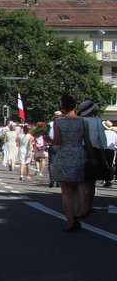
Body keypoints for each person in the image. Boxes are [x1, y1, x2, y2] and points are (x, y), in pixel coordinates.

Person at [51, 94, 90, 232]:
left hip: (64, 155)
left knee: (66, 191)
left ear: (63, 106)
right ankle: (77, 214)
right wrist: (92, 157)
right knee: (77, 188)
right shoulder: (83, 122)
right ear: (75, 106)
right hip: (79, 154)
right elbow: (87, 141)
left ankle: (70, 220)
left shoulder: (59, 122)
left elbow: (56, 140)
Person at [77, 100, 106, 218]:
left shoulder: (79, 121)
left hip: (80, 150)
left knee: (81, 181)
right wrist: (103, 154)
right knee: (91, 182)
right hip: (95, 150)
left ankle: (81, 207)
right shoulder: (98, 121)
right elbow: (102, 139)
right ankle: (88, 206)